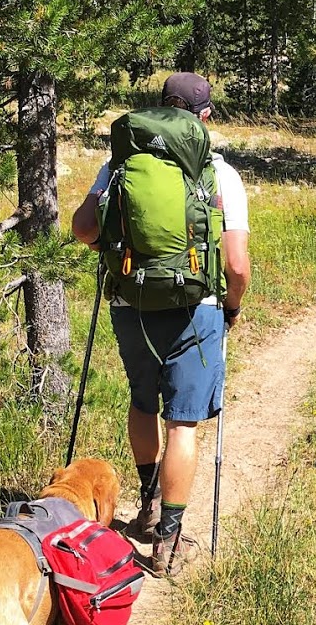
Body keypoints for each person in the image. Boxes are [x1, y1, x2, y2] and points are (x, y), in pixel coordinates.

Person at [70, 72, 250, 578]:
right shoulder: (220, 173)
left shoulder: (119, 165)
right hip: (198, 307)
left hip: (131, 304)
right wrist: (231, 308)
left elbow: (83, 230)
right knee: (183, 422)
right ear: (205, 115)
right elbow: (237, 265)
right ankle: (168, 543)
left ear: (159, 108)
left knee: (142, 401)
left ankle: (147, 506)